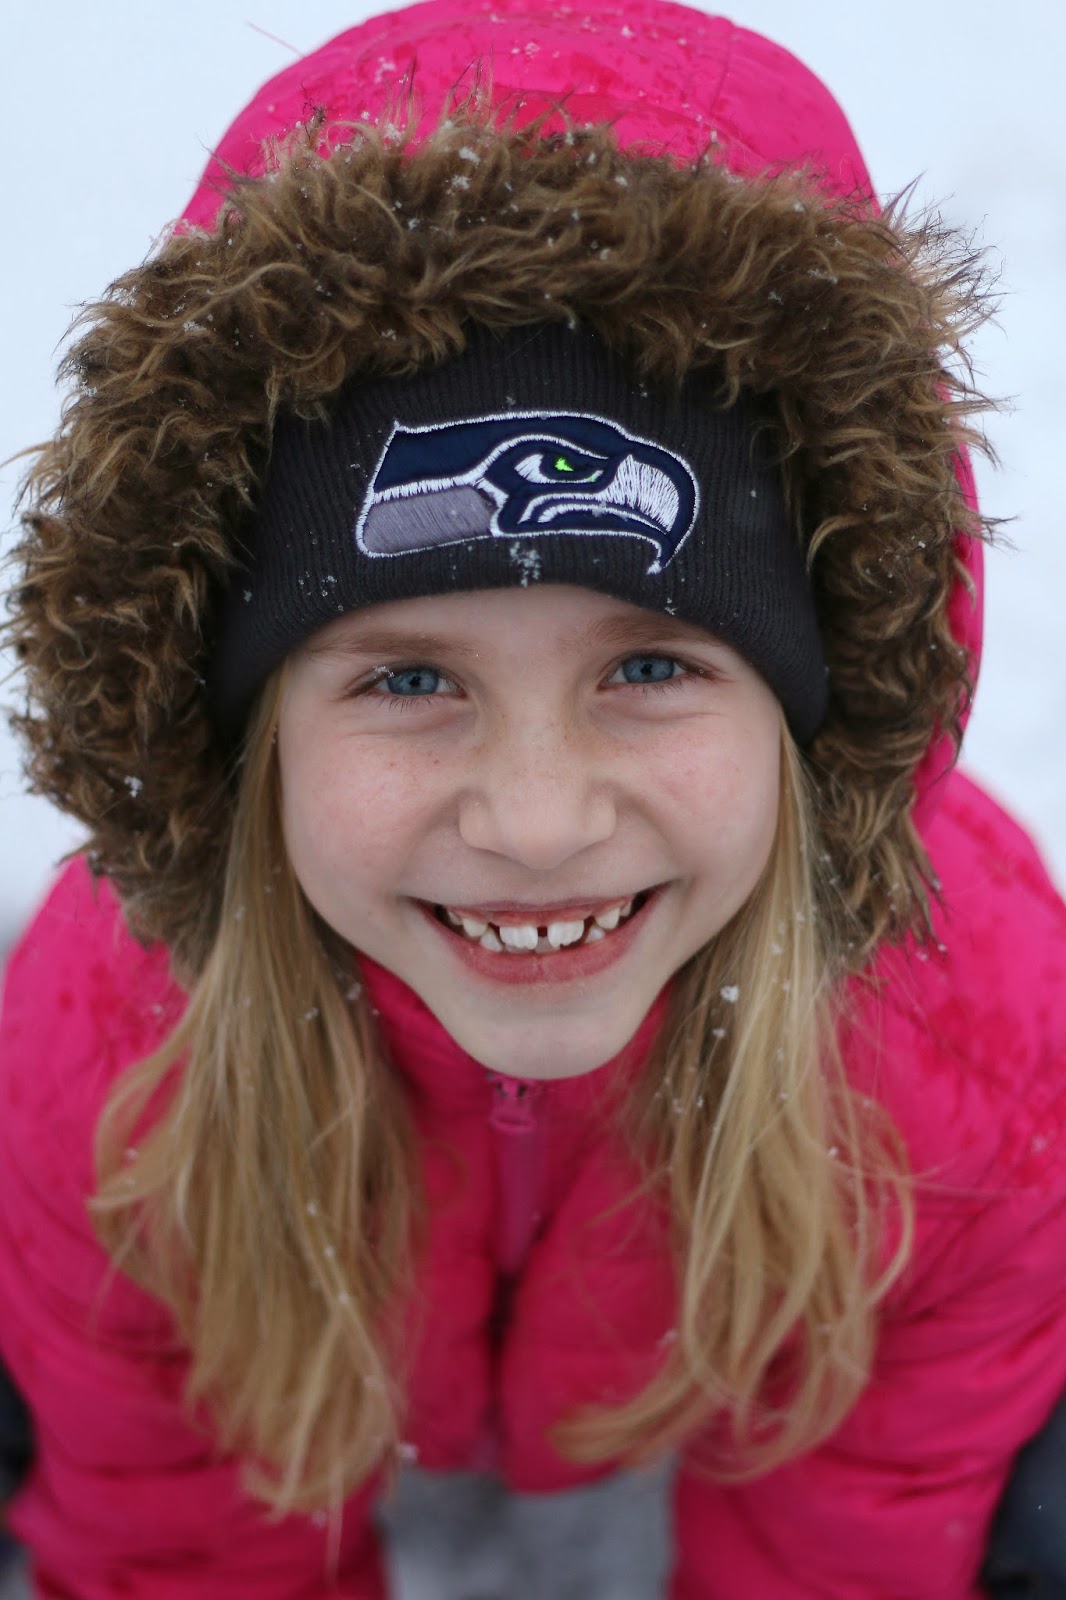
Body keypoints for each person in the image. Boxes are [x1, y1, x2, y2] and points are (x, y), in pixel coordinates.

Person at [2, 1, 1065, 1596]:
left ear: (812, 707)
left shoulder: (972, 1022)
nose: (537, 821)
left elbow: (864, 1521)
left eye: (647, 668)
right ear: (243, 734)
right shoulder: (114, 1034)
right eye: (407, 681)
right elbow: (174, 1527)